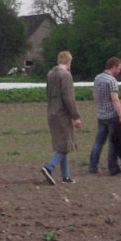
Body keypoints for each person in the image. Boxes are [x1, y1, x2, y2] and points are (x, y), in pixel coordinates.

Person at [42, 51, 82, 185]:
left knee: (62, 143)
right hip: (62, 114)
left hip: (51, 111)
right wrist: (76, 116)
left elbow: (48, 94)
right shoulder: (65, 75)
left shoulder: (50, 74)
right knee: (66, 143)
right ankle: (49, 167)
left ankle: (66, 176)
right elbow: (68, 97)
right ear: (68, 62)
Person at [88, 57, 121, 176]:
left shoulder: (98, 78)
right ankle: (113, 168)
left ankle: (93, 166)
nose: (120, 70)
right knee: (113, 143)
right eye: (119, 67)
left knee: (99, 142)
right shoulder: (112, 81)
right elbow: (115, 99)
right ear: (114, 66)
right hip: (112, 116)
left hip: (101, 115)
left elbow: (96, 95)